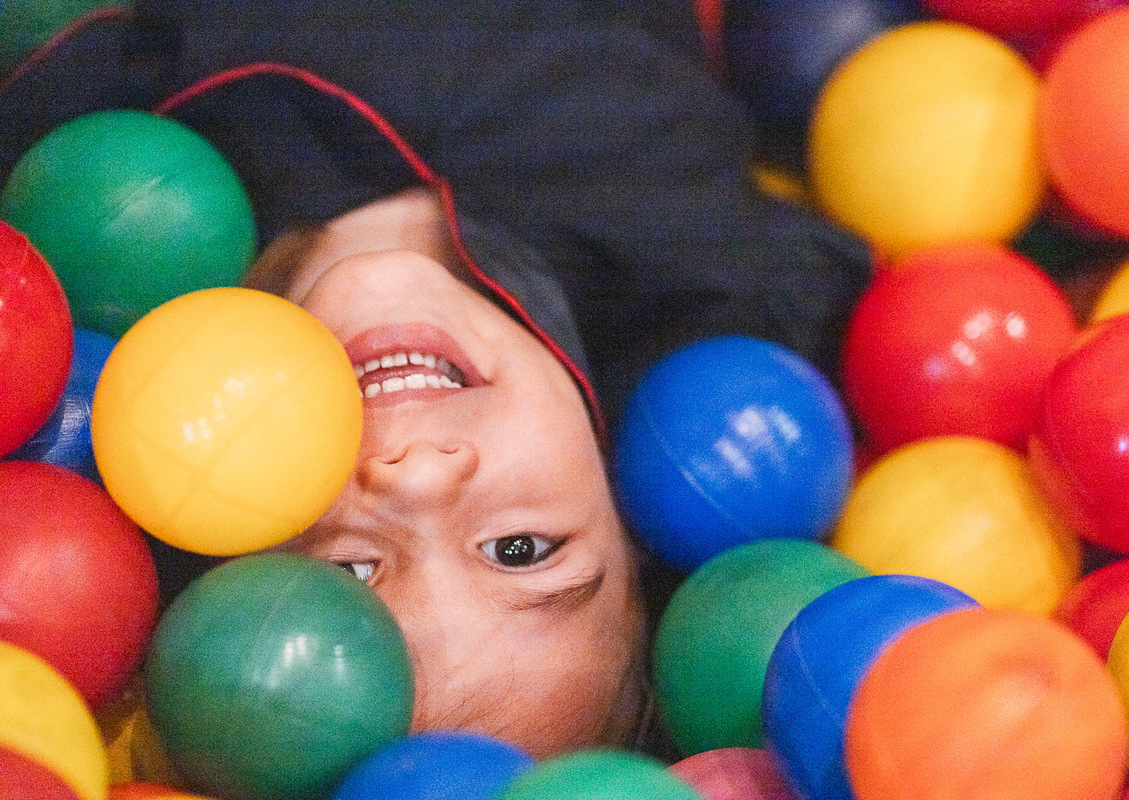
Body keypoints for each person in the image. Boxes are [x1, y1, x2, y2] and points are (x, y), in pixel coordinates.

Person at [0, 0, 873, 772]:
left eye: (348, 575)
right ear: (628, 496)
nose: (417, 476)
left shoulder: (65, 243)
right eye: (521, 549)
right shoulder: (657, 196)